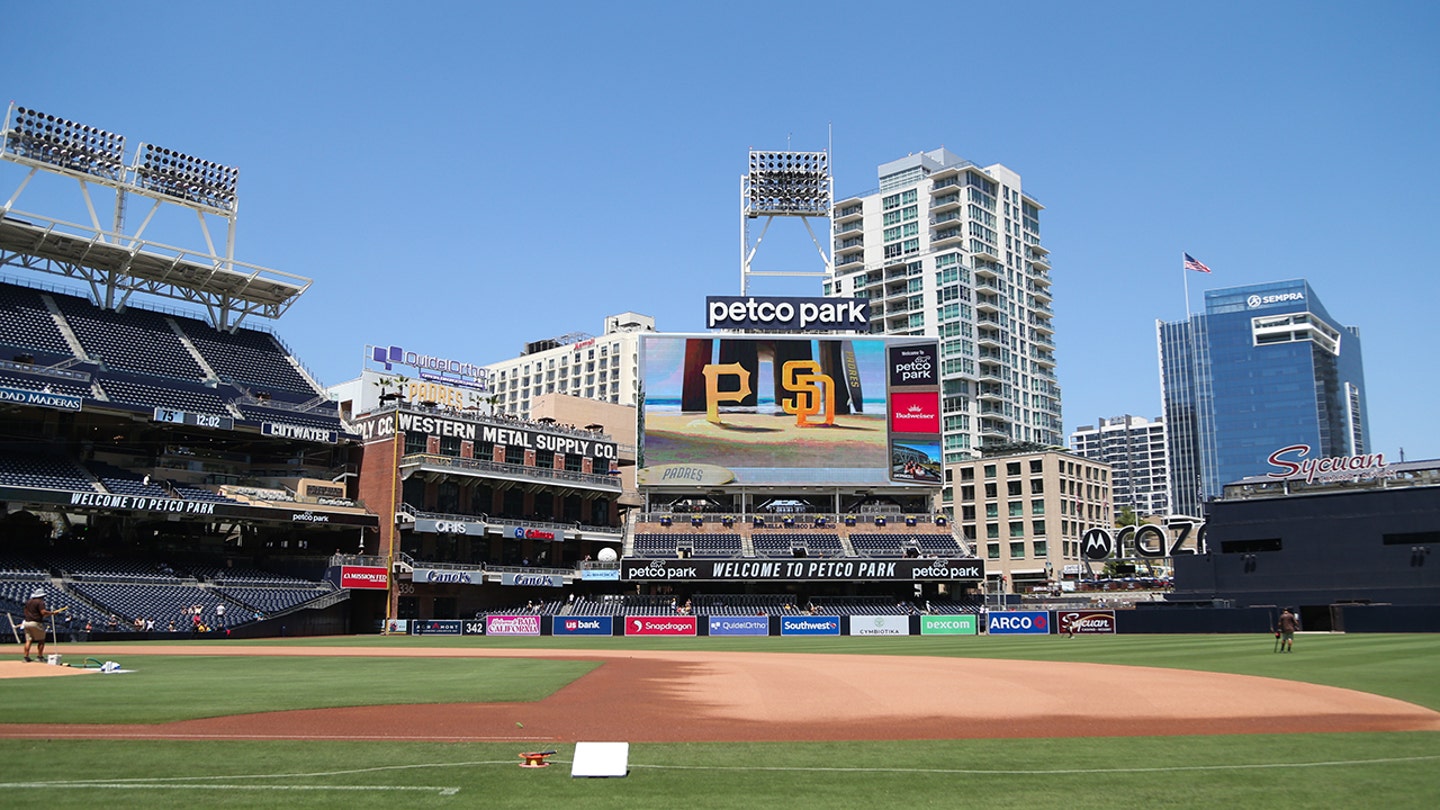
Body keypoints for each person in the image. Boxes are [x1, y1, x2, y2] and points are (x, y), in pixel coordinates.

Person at [21, 589, 65, 663]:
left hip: (26, 622)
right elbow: (43, 612)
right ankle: (39, 656)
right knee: (41, 640)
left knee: (28, 640)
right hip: (36, 623)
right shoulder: (40, 602)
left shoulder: (28, 602)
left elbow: (27, 611)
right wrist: (52, 613)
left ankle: (26, 657)